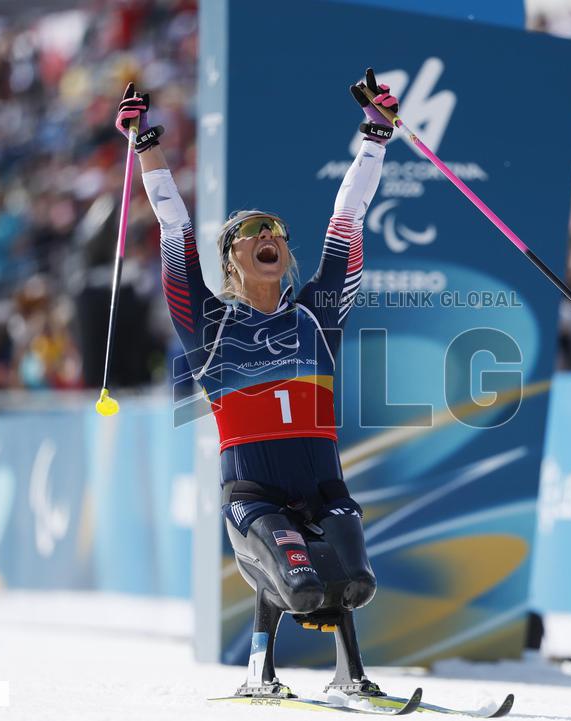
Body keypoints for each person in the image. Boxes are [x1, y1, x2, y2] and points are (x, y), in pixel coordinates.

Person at [118, 70, 396, 698]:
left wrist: (375, 135)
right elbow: (174, 229)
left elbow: (348, 216)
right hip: (254, 496)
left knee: (355, 583)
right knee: (303, 588)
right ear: (231, 259)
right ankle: (260, 669)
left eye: (275, 231)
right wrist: (144, 144)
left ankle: (349, 677)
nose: (268, 237)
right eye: (252, 233)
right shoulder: (207, 324)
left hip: (323, 488)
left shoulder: (319, 313)